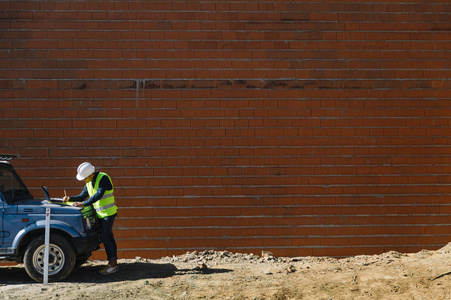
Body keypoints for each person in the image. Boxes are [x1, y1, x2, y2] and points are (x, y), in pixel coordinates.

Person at [63, 162, 119, 275]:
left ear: (90, 175)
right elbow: (82, 196)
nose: (83, 180)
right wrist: (69, 199)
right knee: (108, 237)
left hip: (108, 213)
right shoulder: (89, 182)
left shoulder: (103, 178)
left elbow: (98, 194)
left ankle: (113, 265)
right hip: (100, 214)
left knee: (105, 237)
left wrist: (84, 204)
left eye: (84, 178)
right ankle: (113, 263)